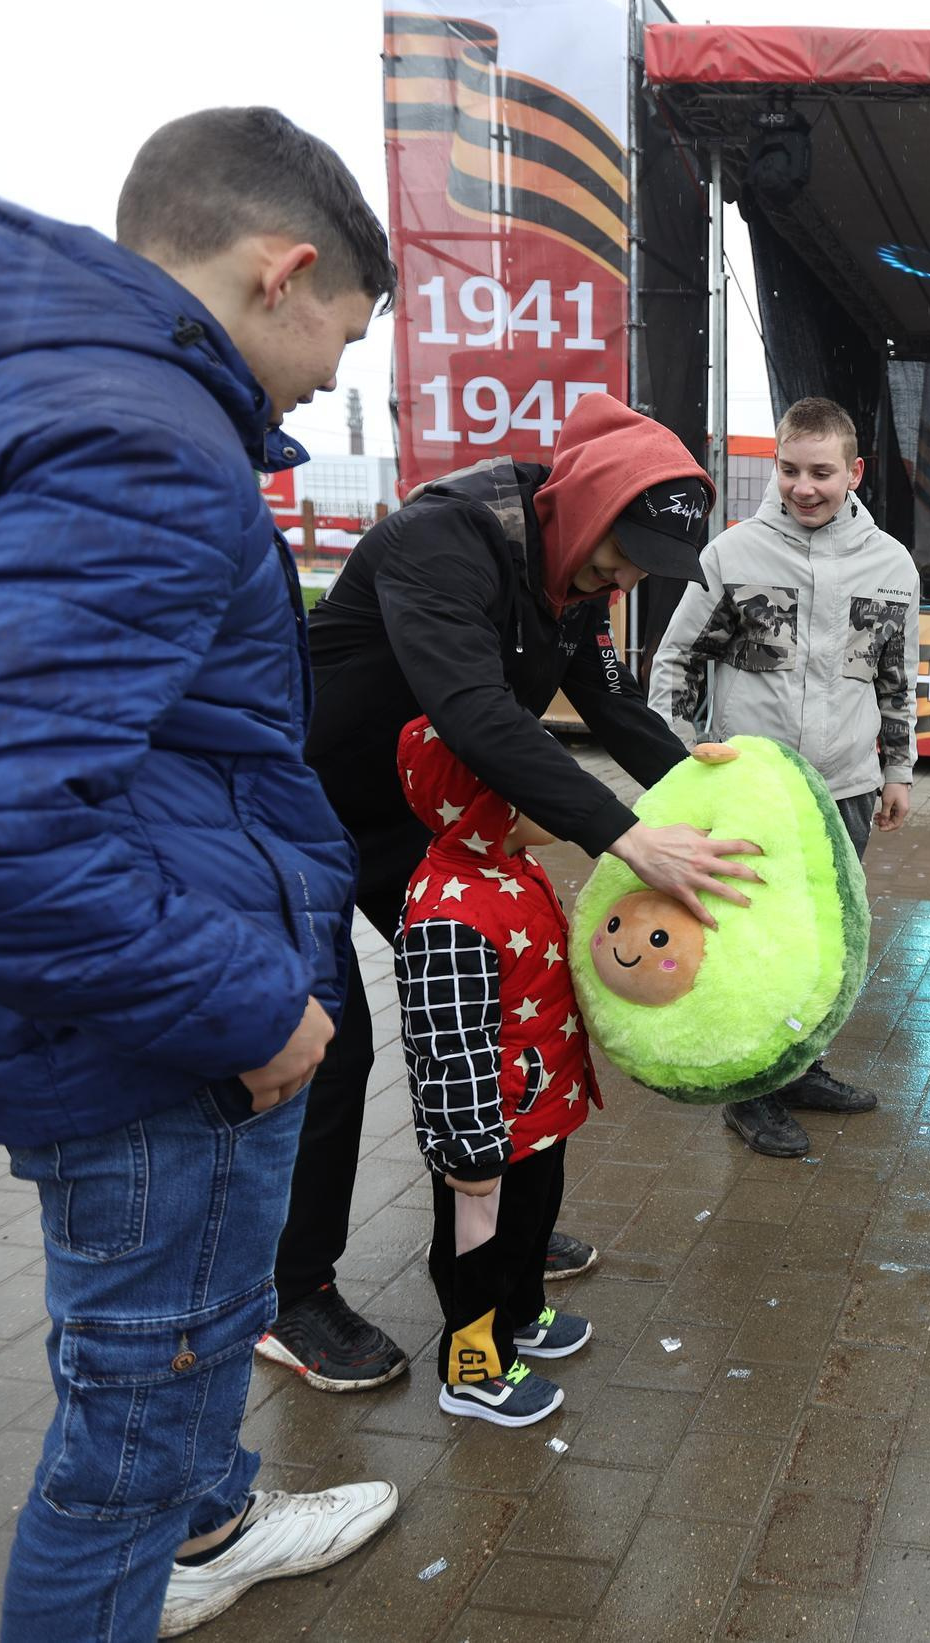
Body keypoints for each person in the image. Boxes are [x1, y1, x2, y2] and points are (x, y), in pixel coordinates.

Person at [0, 107, 400, 1640]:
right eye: (342, 339)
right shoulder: (143, 438)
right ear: (284, 270)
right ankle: (163, 1538)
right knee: (121, 1453)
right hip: (163, 1049)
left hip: (132, 1011)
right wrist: (245, 1006)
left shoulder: (56, 393)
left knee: (172, 1372)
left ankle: (210, 1524)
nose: (326, 383)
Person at [268, 390, 762, 1390]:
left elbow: (612, 703)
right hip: (303, 814)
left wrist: (697, 786)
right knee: (336, 1049)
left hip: (416, 819)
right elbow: (477, 712)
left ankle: (502, 1238)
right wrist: (627, 835)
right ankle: (295, 1293)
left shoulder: (570, 572)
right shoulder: (444, 541)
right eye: (621, 556)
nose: (623, 580)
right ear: (584, 507)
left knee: (503, 1010)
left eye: (642, 569)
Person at [648, 395, 917, 1156]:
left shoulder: (892, 565)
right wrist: (673, 768)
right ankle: (751, 1092)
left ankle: (801, 1067)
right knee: (751, 944)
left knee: (821, 942)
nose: (804, 487)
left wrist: (898, 770)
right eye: (790, 469)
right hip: (750, 794)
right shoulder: (732, 555)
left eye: (822, 472)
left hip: (846, 793)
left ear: (854, 472)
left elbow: (896, 678)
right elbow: (677, 662)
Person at [391, 717, 599, 1427]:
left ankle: (521, 1311)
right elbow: (448, 1043)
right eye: (540, 781)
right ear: (486, 803)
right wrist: (470, 1148)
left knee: (532, 1222)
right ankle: (473, 1365)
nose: (561, 793)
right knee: (481, 1240)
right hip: (488, 1127)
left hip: (539, 1106)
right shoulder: (450, 913)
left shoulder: (512, 869)